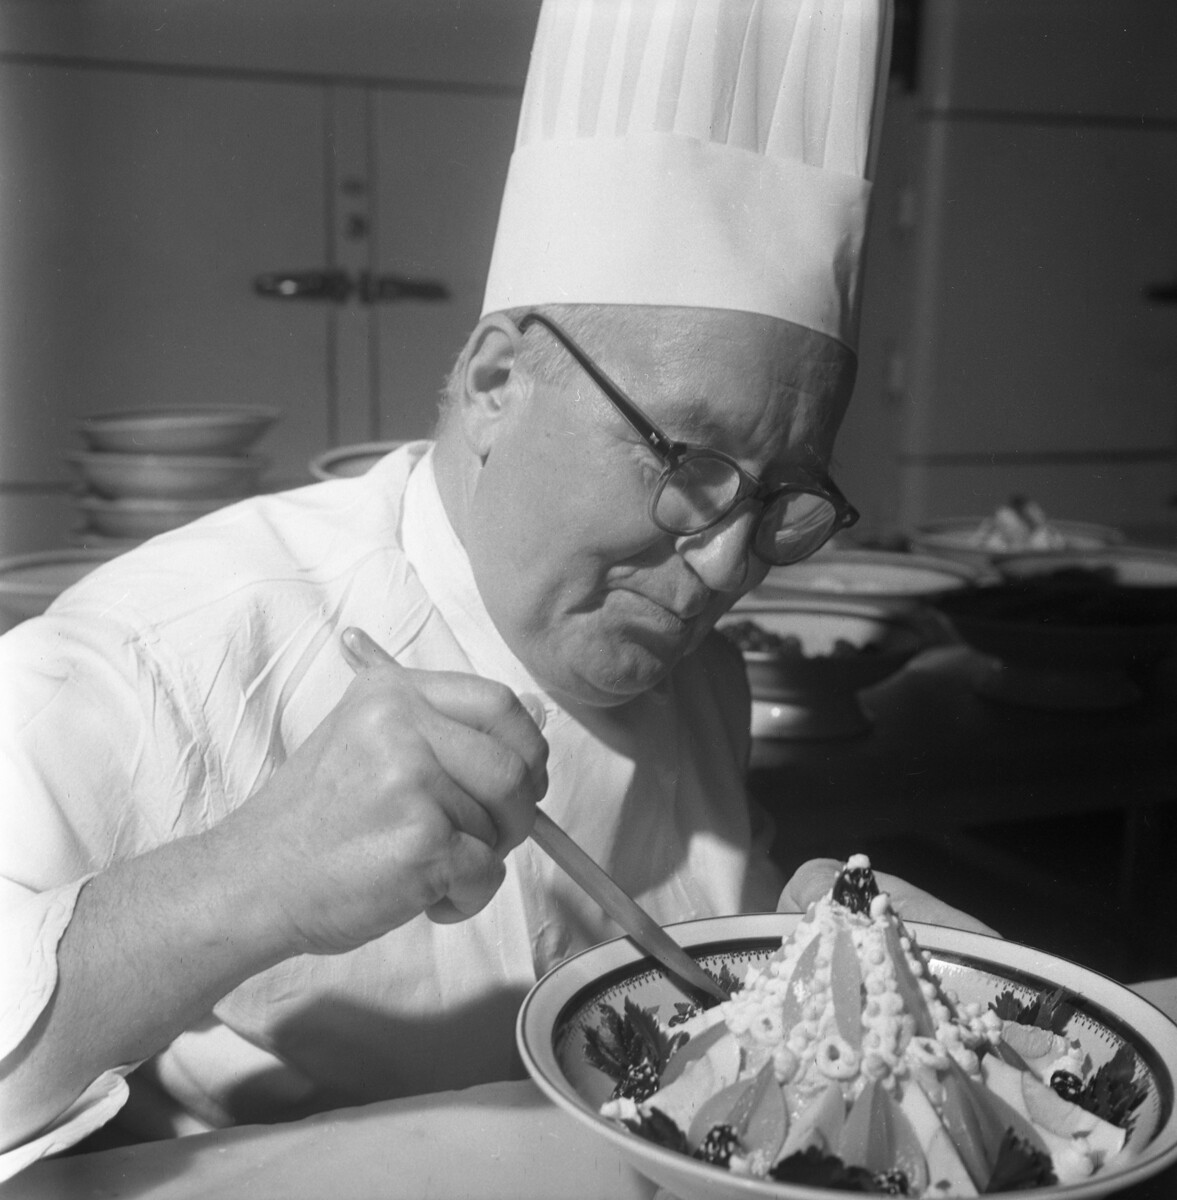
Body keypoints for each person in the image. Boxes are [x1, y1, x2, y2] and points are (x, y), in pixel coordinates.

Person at [0, 0, 987, 1179]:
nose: (729, 566)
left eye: (783, 500)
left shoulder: (703, 679)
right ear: (495, 382)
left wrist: (808, 958)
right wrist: (241, 882)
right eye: (684, 463)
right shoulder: (168, 649)